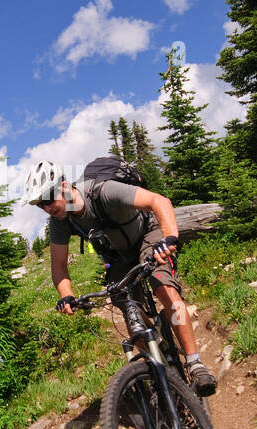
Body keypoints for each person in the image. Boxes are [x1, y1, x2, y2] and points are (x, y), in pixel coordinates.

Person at [24, 160, 217, 396]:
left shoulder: (102, 191)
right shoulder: (60, 221)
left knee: (162, 286)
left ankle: (195, 363)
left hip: (148, 235)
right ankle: (159, 371)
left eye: (48, 199)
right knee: (128, 309)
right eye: (40, 205)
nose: (46, 208)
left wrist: (169, 238)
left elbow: (159, 201)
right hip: (118, 257)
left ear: (64, 186)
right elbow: (59, 265)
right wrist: (67, 296)